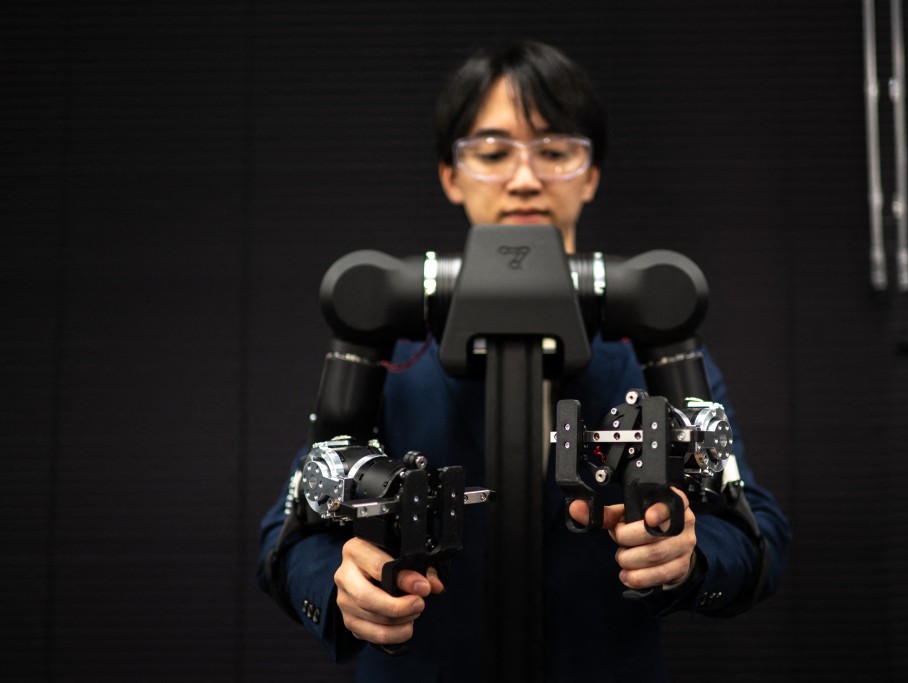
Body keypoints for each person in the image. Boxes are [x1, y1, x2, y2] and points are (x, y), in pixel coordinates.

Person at [258, 40, 791, 682]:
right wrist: (342, 585)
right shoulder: (392, 357)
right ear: (450, 174)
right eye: (491, 151)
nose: (524, 178)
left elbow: (757, 532)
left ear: (590, 173)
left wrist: (691, 558)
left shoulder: (647, 354)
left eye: (555, 151)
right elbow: (287, 536)